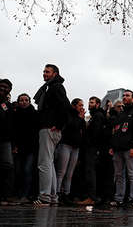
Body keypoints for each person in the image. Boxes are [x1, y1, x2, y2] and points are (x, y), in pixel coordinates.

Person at [33, 64, 70, 206]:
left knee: (44, 163)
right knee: (49, 162)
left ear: (55, 74)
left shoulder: (55, 87)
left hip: (49, 127)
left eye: (47, 72)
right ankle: (53, 196)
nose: (44, 73)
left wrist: (59, 125)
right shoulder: (52, 87)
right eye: (43, 71)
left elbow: (65, 106)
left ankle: (44, 197)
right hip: (50, 128)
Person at [109, 90, 133, 208]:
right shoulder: (121, 113)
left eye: (127, 95)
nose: (124, 97)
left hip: (130, 149)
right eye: (123, 95)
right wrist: (112, 146)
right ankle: (119, 198)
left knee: (132, 174)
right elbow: (116, 131)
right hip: (118, 149)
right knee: (119, 175)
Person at [54, 98, 86, 205]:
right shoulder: (68, 114)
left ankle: (66, 194)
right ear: (74, 105)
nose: (82, 107)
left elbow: (82, 130)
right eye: (80, 105)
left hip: (76, 147)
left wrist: (81, 119)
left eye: (82, 105)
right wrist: (80, 118)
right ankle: (57, 193)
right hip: (65, 144)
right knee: (61, 171)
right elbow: (71, 126)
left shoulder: (80, 117)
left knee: (70, 172)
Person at [11, 93, 39, 203]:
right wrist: (14, 146)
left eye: (26, 100)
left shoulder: (35, 114)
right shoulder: (15, 114)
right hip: (18, 147)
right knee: (17, 171)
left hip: (31, 148)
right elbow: (13, 131)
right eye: (21, 100)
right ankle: (17, 194)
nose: (24, 102)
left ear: (29, 101)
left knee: (27, 170)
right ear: (18, 102)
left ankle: (25, 195)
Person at [78, 96, 106, 205]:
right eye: (89, 102)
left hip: (92, 148)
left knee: (90, 172)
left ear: (98, 104)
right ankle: (91, 196)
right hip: (91, 147)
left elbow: (95, 133)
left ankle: (92, 197)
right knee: (89, 172)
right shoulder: (95, 116)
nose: (89, 104)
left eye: (92, 102)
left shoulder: (98, 116)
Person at [0, 79, 14, 205]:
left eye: (7, 87)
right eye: (2, 86)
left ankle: (6, 195)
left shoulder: (9, 106)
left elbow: (12, 124)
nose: (4, 89)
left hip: (5, 140)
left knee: (8, 166)